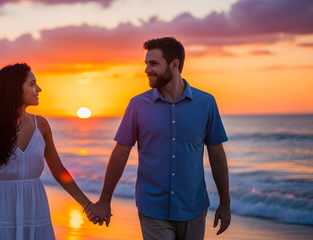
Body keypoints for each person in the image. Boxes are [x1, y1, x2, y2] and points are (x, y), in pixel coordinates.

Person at [88, 37, 231, 239]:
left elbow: (217, 154)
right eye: (146, 63)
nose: (147, 69)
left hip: (193, 208)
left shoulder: (206, 103)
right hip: (152, 209)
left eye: (153, 63)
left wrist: (225, 203)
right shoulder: (137, 105)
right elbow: (120, 153)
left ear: (174, 65)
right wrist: (104, 200)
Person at [0, 63, 93, 240]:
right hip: (1, 206)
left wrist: (87, 205)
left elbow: (59, 171)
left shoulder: (41, 125)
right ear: (15, 89)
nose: (39, 89)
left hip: (35, 205)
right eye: (32, 84)